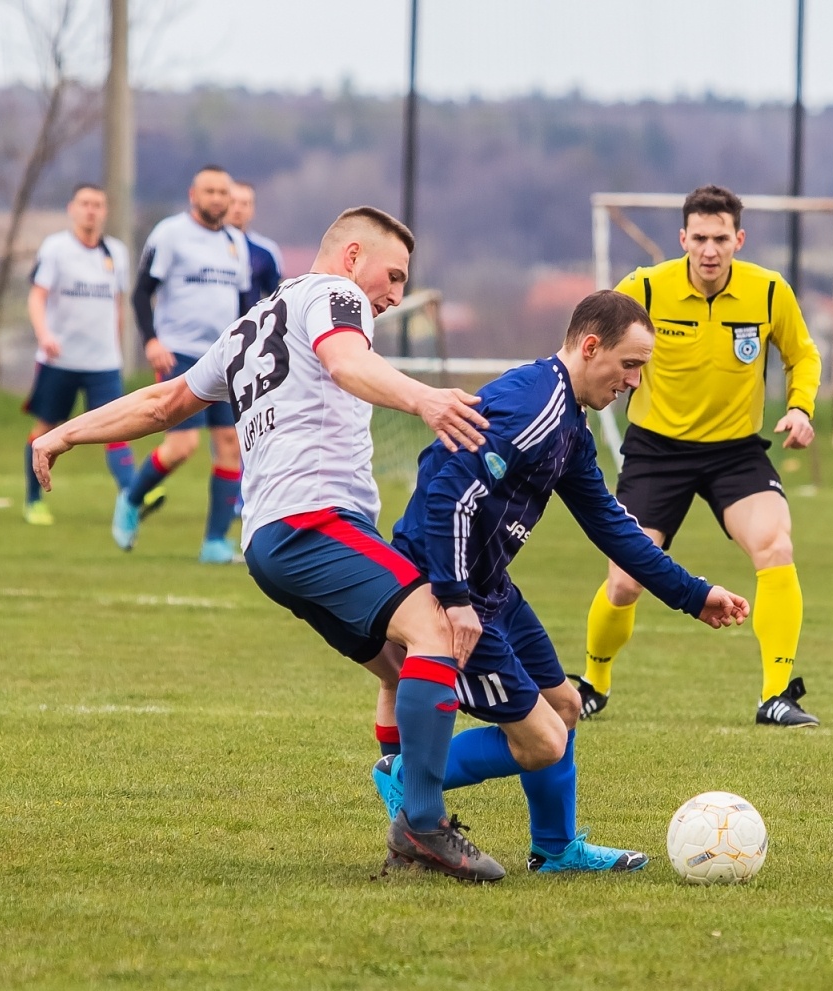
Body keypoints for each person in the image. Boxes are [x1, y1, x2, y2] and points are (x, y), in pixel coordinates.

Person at [32, 206, 508, 882]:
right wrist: (425, 401)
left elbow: (164, 403)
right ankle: (424, 826)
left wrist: (64, 433)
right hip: (314, 521)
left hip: (269, 539)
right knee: (436, 628)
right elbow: (344, 363)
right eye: (394, 275)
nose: (396, 295)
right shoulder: (337, 296)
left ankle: (408, 808)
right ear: (350, 256)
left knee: (405, 667)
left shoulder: (252, 323)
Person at [371, 290, 750, 873]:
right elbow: (446, 490)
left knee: (565, 705)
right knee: (542, 740)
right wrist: (451, 598)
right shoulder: (534, 408)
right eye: (630, 365)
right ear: (590, 347)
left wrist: (694, 595)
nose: (635, 381)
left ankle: (555, 849)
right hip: (450, 590)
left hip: (491, 586)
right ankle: (410, 772)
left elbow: (611, 525)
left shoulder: (569, 423)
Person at [575, 184, 823, 728]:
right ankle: (593, 683)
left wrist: (801, 409)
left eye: (721, 238)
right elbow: (591, 342)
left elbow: (802, 356)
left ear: (739, 238)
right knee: (624, 580)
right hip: (655, 451)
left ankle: (777, 695)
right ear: (682, 238)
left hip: (736, 453)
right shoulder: (643, 288)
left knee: (776, 546)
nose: (710, 250)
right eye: (700, 238)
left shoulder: (768, 292)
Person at [120, 165, 250, 562]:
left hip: (225, 358)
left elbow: (245, 306)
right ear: (193, 194)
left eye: (223, 193)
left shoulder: (236, 243)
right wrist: (152, 341)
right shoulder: (170, 233)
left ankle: (214, 543)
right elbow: (142, 293)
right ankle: (132, 497)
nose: (217, 199)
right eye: (209, 191)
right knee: (181, 446)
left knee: (230, 446)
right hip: (179, 353)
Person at [20, 183, 136, 526]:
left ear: (106, 211)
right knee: (46, 429)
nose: (91, 210)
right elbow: (37, 296)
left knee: (117, 426)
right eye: (85, 203)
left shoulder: (116, 252)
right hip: (61, 361)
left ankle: (132, 493)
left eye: (98, 204)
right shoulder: (56, 248)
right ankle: (33, 499)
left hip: (103, 363)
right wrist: (45, 335)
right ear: (72, 208)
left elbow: (118, 304)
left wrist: (117, 344)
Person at [228, 181, 284, 314]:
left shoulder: (265, 251)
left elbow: (276, 297)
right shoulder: (206, 246)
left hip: (246, 330)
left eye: (244, 204)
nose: (237, 209)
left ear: (252, 210)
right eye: (232, 202)